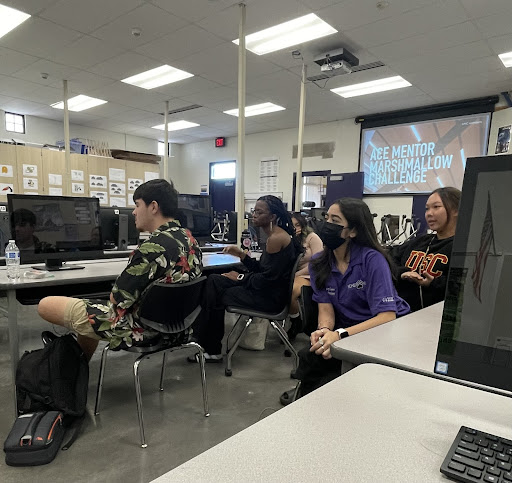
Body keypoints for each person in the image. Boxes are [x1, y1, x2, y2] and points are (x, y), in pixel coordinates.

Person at [37, 179, 203, 361]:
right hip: (176, 328)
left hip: (139, 330)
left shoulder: (152, 248)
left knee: (46, 304)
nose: (133, 211)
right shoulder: (190, 240)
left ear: (153, 207)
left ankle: (64, 363)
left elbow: (117, 299)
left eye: (137, 205)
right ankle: (76, 366)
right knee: (88, 313)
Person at [280, 198, 410, 405]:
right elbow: (326, 308)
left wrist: (340, 335)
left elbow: (387, 316)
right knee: (311, 357)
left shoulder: (371, 260)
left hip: (382, 334)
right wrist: (324, 330)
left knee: (333, 385)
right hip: (347, 333)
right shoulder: (319, 262)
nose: (326, 224)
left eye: (335, 220)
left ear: (353, 231)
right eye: (326, 218)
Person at [191, 195, 302, 361]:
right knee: (214, 281)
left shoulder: (276, 238)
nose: (254, 215)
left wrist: (240, 277)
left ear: (272, 217)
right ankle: (205, 342)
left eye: (259, 212)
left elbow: (267, 280)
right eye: (254, 211)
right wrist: (242, 255)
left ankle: (208, 346)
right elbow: (264, 271)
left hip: (270, 299)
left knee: (214, 291)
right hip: (270, 292)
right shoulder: (277, 235)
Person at [390, 187, 461, 312]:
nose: (429, 213)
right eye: (427, 208)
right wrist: (403, 273)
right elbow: (389, 261)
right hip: (401, 314)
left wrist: (433, 282)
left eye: (436, 207)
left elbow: (462, 286)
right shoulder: (420, 241)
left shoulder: (463, 247)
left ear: (456, 210)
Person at [287, 212, 323, 340]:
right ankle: (296, 319)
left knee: (290, 291)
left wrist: (296, 274)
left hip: (310, 274)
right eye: (292, 225)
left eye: (297, 225)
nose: (295, 228)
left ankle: (297, 322)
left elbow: (317, 262)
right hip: (294, 275)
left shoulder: (312, 238)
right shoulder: (288, 239)